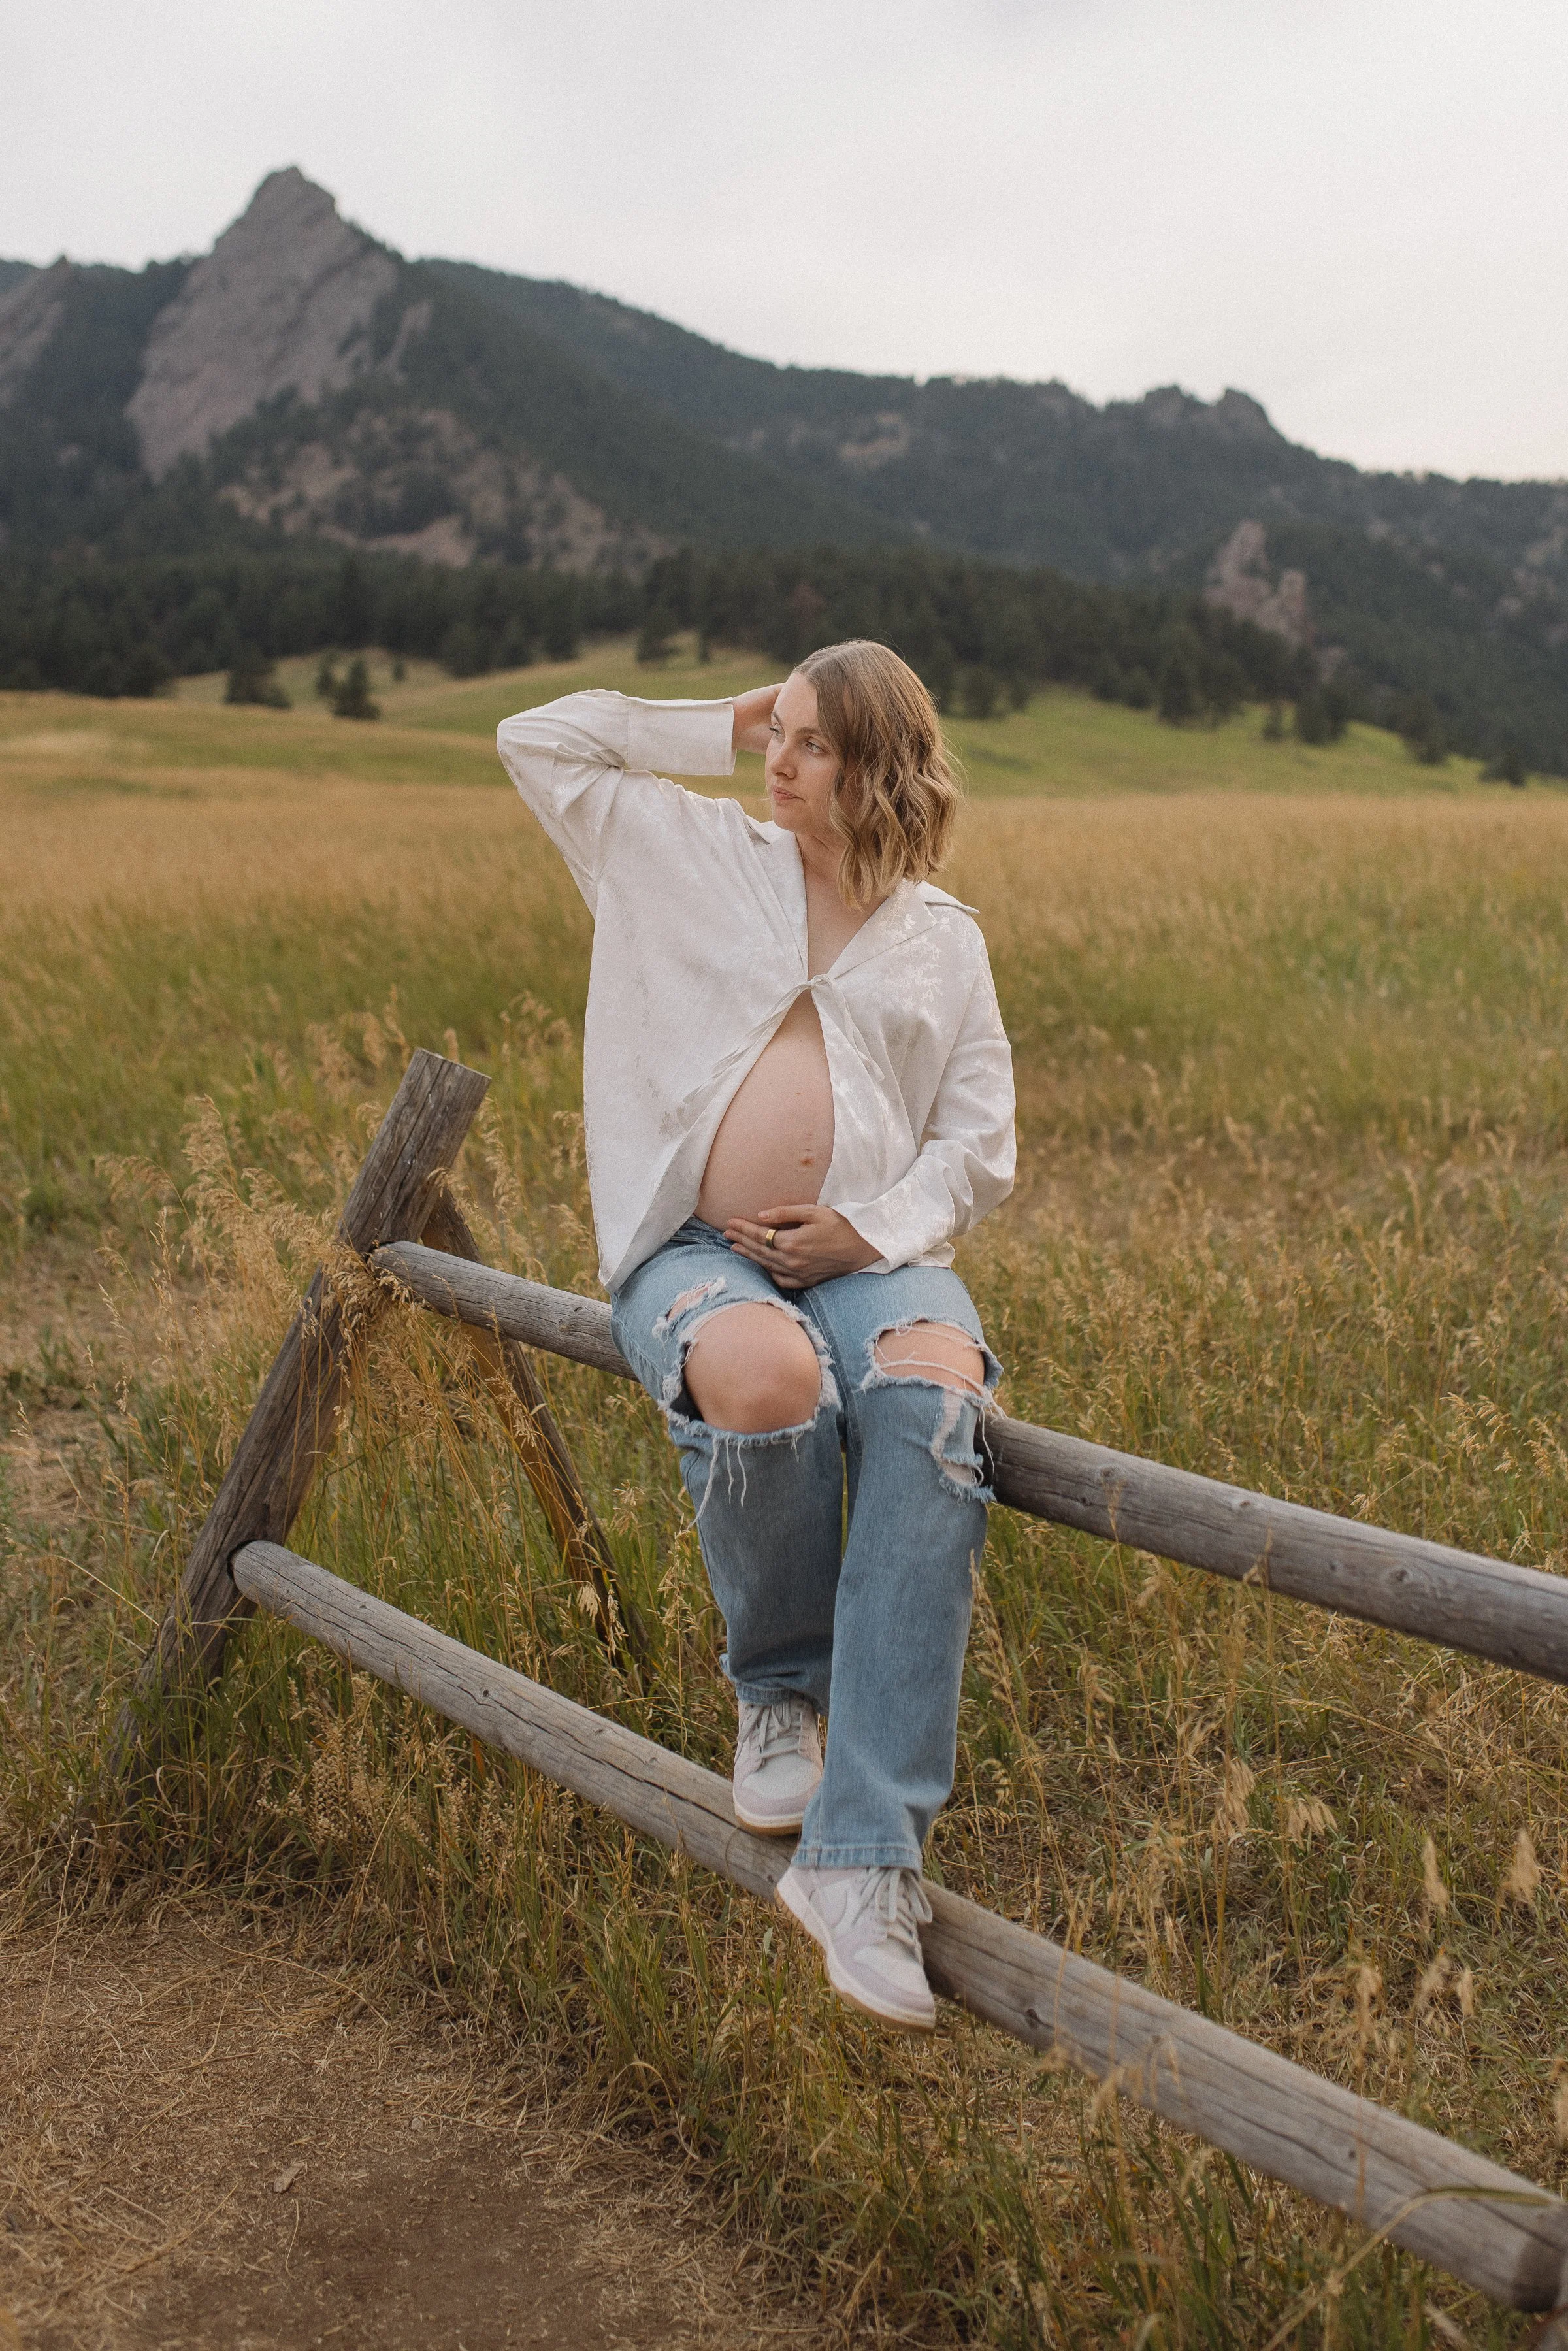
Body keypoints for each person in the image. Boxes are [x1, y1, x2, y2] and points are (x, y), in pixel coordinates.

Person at [496, 640, 1015, 2030]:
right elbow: (536, 738)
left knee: (932, 1395)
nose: (779, 761)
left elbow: (980, 1147)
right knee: (771, 1377)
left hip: (871, 1255)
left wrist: (870, 1229)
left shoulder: (941, 938)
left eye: (811, 742)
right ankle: (779, 1690)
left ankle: (865, 1862)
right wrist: (712, 723)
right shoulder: (681, 851)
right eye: (772, 734)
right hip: (691, 1252)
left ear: (882, 766)